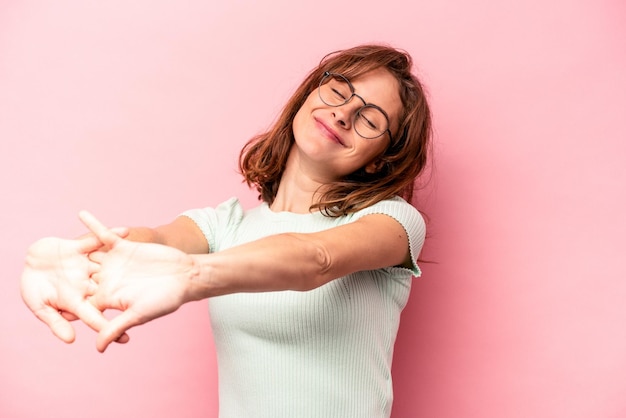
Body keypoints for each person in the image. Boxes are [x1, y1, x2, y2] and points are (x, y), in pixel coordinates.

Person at [20, 44, 432, 418]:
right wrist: (81, 257)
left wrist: (191, 275)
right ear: (310, 94)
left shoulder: (394, 223)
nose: (344, 113)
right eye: (339, 90)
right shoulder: (226, 225)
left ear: (382, 159)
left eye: (370, 119)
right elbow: (155, 241)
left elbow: (316, 258)